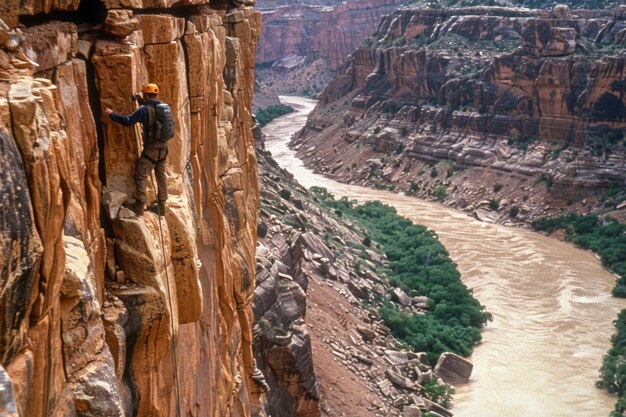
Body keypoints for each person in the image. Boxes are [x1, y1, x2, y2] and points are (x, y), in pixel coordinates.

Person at [104, 83, 169, 216]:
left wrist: (112, 114)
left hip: (151, 150)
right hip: (163, 149)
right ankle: (161, 205)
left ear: (145, 95)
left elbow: (128, 121)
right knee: (161, 175)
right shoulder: (163, 106)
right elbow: (151, 114)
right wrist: (140, 101)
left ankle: (139, 205)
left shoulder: (144, 109)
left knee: (141, 174)